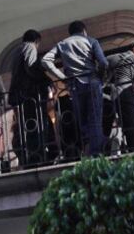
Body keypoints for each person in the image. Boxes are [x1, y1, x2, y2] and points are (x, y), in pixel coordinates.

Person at [41, 21, 109, 156]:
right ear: (84, 30)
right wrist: (100, 78)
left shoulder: (62, 44)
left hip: (75, 86)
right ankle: (97, 154)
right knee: (95, 120)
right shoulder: (91, 41)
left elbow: (45, 61)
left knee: (83, 121)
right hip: (93, 83)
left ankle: (90, 150)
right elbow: (103, 62)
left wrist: (63, 77)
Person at [9, 29, 54, 167]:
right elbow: (31, 66)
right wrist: (46, 80)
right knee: (38, 125)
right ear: (36, 41)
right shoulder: (29, 47)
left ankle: (31, 157)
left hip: (20, 96)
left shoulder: (16, 51)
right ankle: (38, 157)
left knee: (28, 126)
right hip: (31, 94)